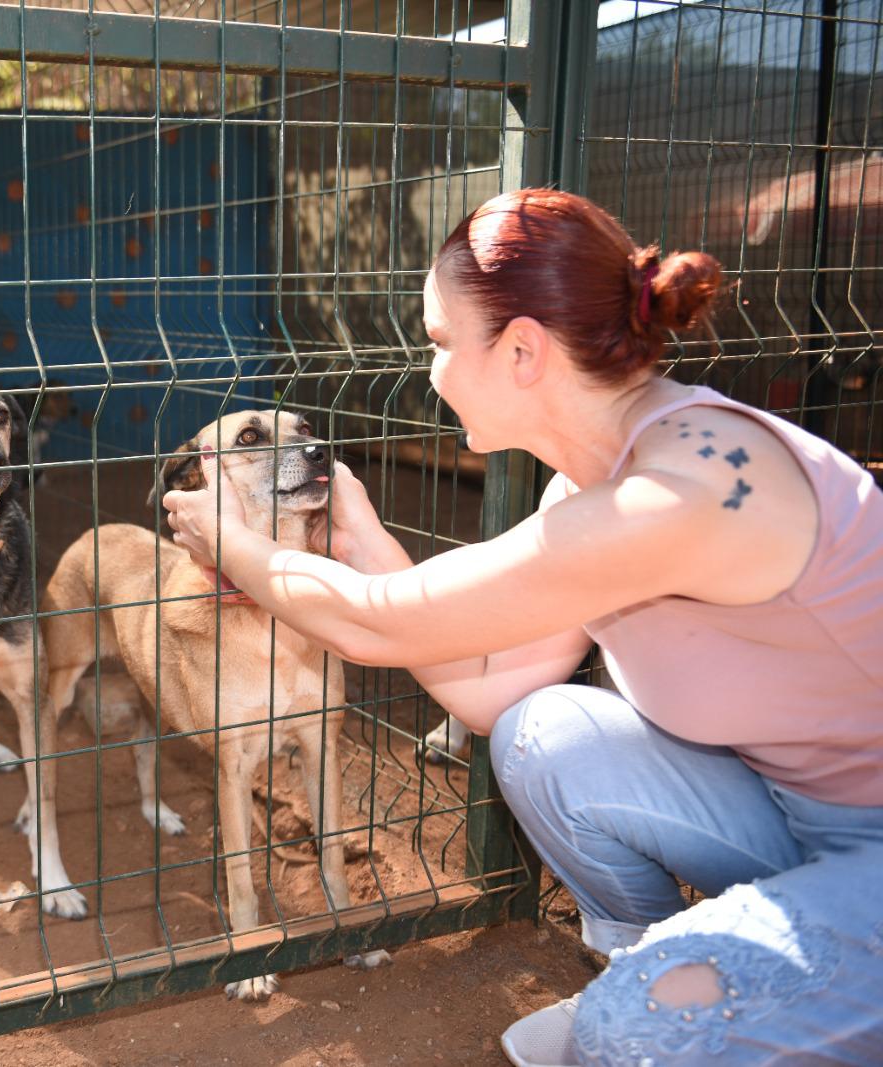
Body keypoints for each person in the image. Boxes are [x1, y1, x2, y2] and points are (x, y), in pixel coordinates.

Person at [160, 188, 883, 1066]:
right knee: (540, 735)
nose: (430, 372)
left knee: (642, 1025)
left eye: (438, 343)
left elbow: (374, 628)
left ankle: (670, 1008)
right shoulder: (587, 487)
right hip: (790, 812)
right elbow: (489, 690)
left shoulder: (682, 490)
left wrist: (231, 544)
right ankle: (648, 966)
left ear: (523, 351)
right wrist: (362, 539)